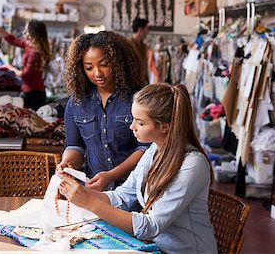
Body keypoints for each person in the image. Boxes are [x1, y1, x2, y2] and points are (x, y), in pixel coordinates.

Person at [58, 83, 218, 253]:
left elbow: (151, 225)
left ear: (164, 126)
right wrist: (80, 192)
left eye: (140, 123)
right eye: (133, 119)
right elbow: (122, 196)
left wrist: (90, 203)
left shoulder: (192, 164)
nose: (131, 127)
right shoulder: (154, 150)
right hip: (157, 248)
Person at [57, 31, 148, 191]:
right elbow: (75, 146)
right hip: (94, 190)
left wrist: (111, 175)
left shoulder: (137, 99)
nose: (97, 73)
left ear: (118, 62)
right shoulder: (77, 102)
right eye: (89, 67)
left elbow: (145, 148)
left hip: (133, 190)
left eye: (104, 64)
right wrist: (68, 163)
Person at [0, 19, 52, 111]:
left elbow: (25, 76)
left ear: (32, 34)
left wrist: (10, 68)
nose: (23, 33)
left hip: (34, 95)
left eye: (26, 31)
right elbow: (12, 39)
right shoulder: (29, 45)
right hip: (34, 92)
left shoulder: (34, 53)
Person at [128, 18, 149, 83]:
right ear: (140, 30)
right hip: (131, 83)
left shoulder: (143, 46)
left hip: (142, 83)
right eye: (147, 29)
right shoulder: (128, 45)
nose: (148, 32)